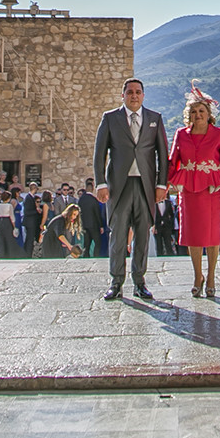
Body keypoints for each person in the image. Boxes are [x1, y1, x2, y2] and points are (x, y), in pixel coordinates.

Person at [93, 76, 169, 300]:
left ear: (143, 95)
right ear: (123, 95)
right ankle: (116, 282)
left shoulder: (155, 118)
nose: (134, 96)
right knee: (117, 235)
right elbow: (100, 154)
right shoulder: (110, 119)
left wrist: (161, 184)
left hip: (145, 186)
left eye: (137, 92)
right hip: (119, 186)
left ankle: (140, 282)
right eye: (130, 92)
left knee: (142, 236)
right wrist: (101, 184)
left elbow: (163, 156)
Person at [167, 84, 220, 299]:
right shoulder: (180, 135)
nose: (197, 115)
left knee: (211, 234)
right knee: (192, 235)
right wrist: (163, 185)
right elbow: (173, 163)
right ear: (188, 114)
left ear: (209, 114)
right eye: (193, 111)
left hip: (212, 189)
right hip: (188, 189)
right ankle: (197, 275)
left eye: (201, 111)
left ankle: (210, 276)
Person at [77, 177, 102, 258]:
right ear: (92, 189)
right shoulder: (94, 200)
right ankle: (96, 257)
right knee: (97, 243)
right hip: (94, 225)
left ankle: (86, 257)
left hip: (84, 225)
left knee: (86, 244)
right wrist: (101, 225)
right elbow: (97, 213)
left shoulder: (81, 200)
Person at [0, 190, 16, 258]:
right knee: (9, 239)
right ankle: (10, 254)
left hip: (0, 221)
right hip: (7, 221)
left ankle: (2, 254)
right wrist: (14, 227)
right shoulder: (9, 206)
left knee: (1, 239)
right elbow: (12, 217)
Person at [154, 190, 177, 256]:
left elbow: (172, 215)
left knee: (168, 242)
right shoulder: (154, 203)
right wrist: (154, 226)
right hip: (157, 226)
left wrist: (170, 225)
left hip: (166, 226)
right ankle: (159, 255)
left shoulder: (168, 203)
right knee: (158, 243)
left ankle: (170, 255)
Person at [21, 184, 41, 258]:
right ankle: (27, 254)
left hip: (31, 222)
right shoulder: (28, 198)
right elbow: (27, 212)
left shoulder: (31, 197)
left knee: (29, 239)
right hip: (29, 222)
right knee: (29, 239)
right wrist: (36, 211)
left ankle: (27, 253)